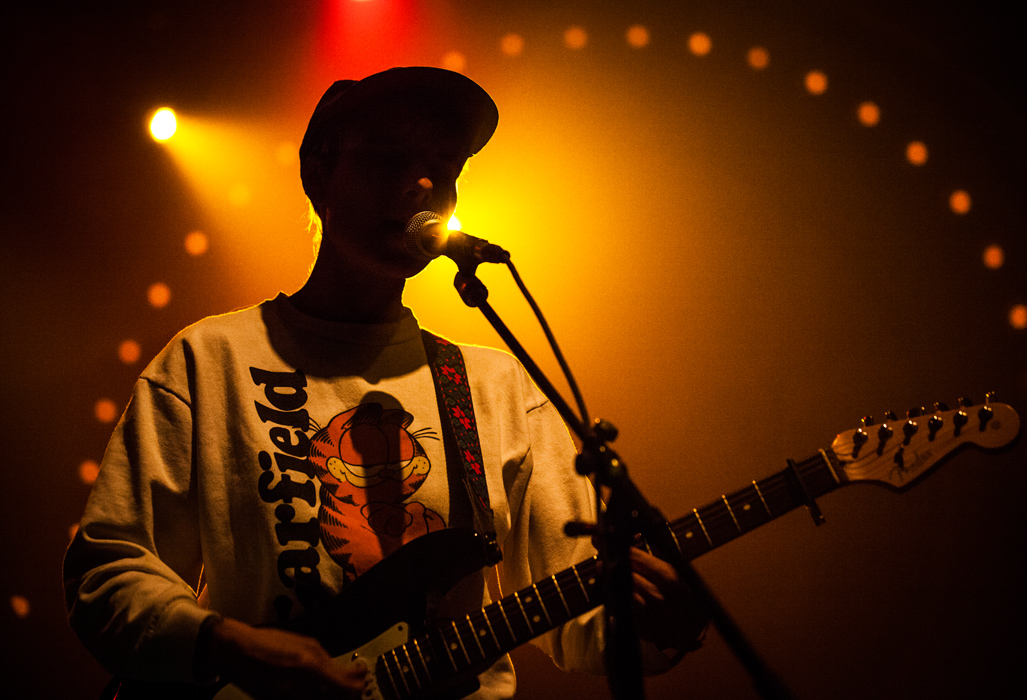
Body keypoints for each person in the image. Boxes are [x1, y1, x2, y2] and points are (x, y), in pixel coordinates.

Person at [63, 67, 707, 700]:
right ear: (320, 175)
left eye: (444, 165)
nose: (421, 183)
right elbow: (110, 570)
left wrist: (666, 622)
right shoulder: (212, 359)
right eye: (386, 157)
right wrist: (227, 645)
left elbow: (582, 625)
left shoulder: (496, 384)